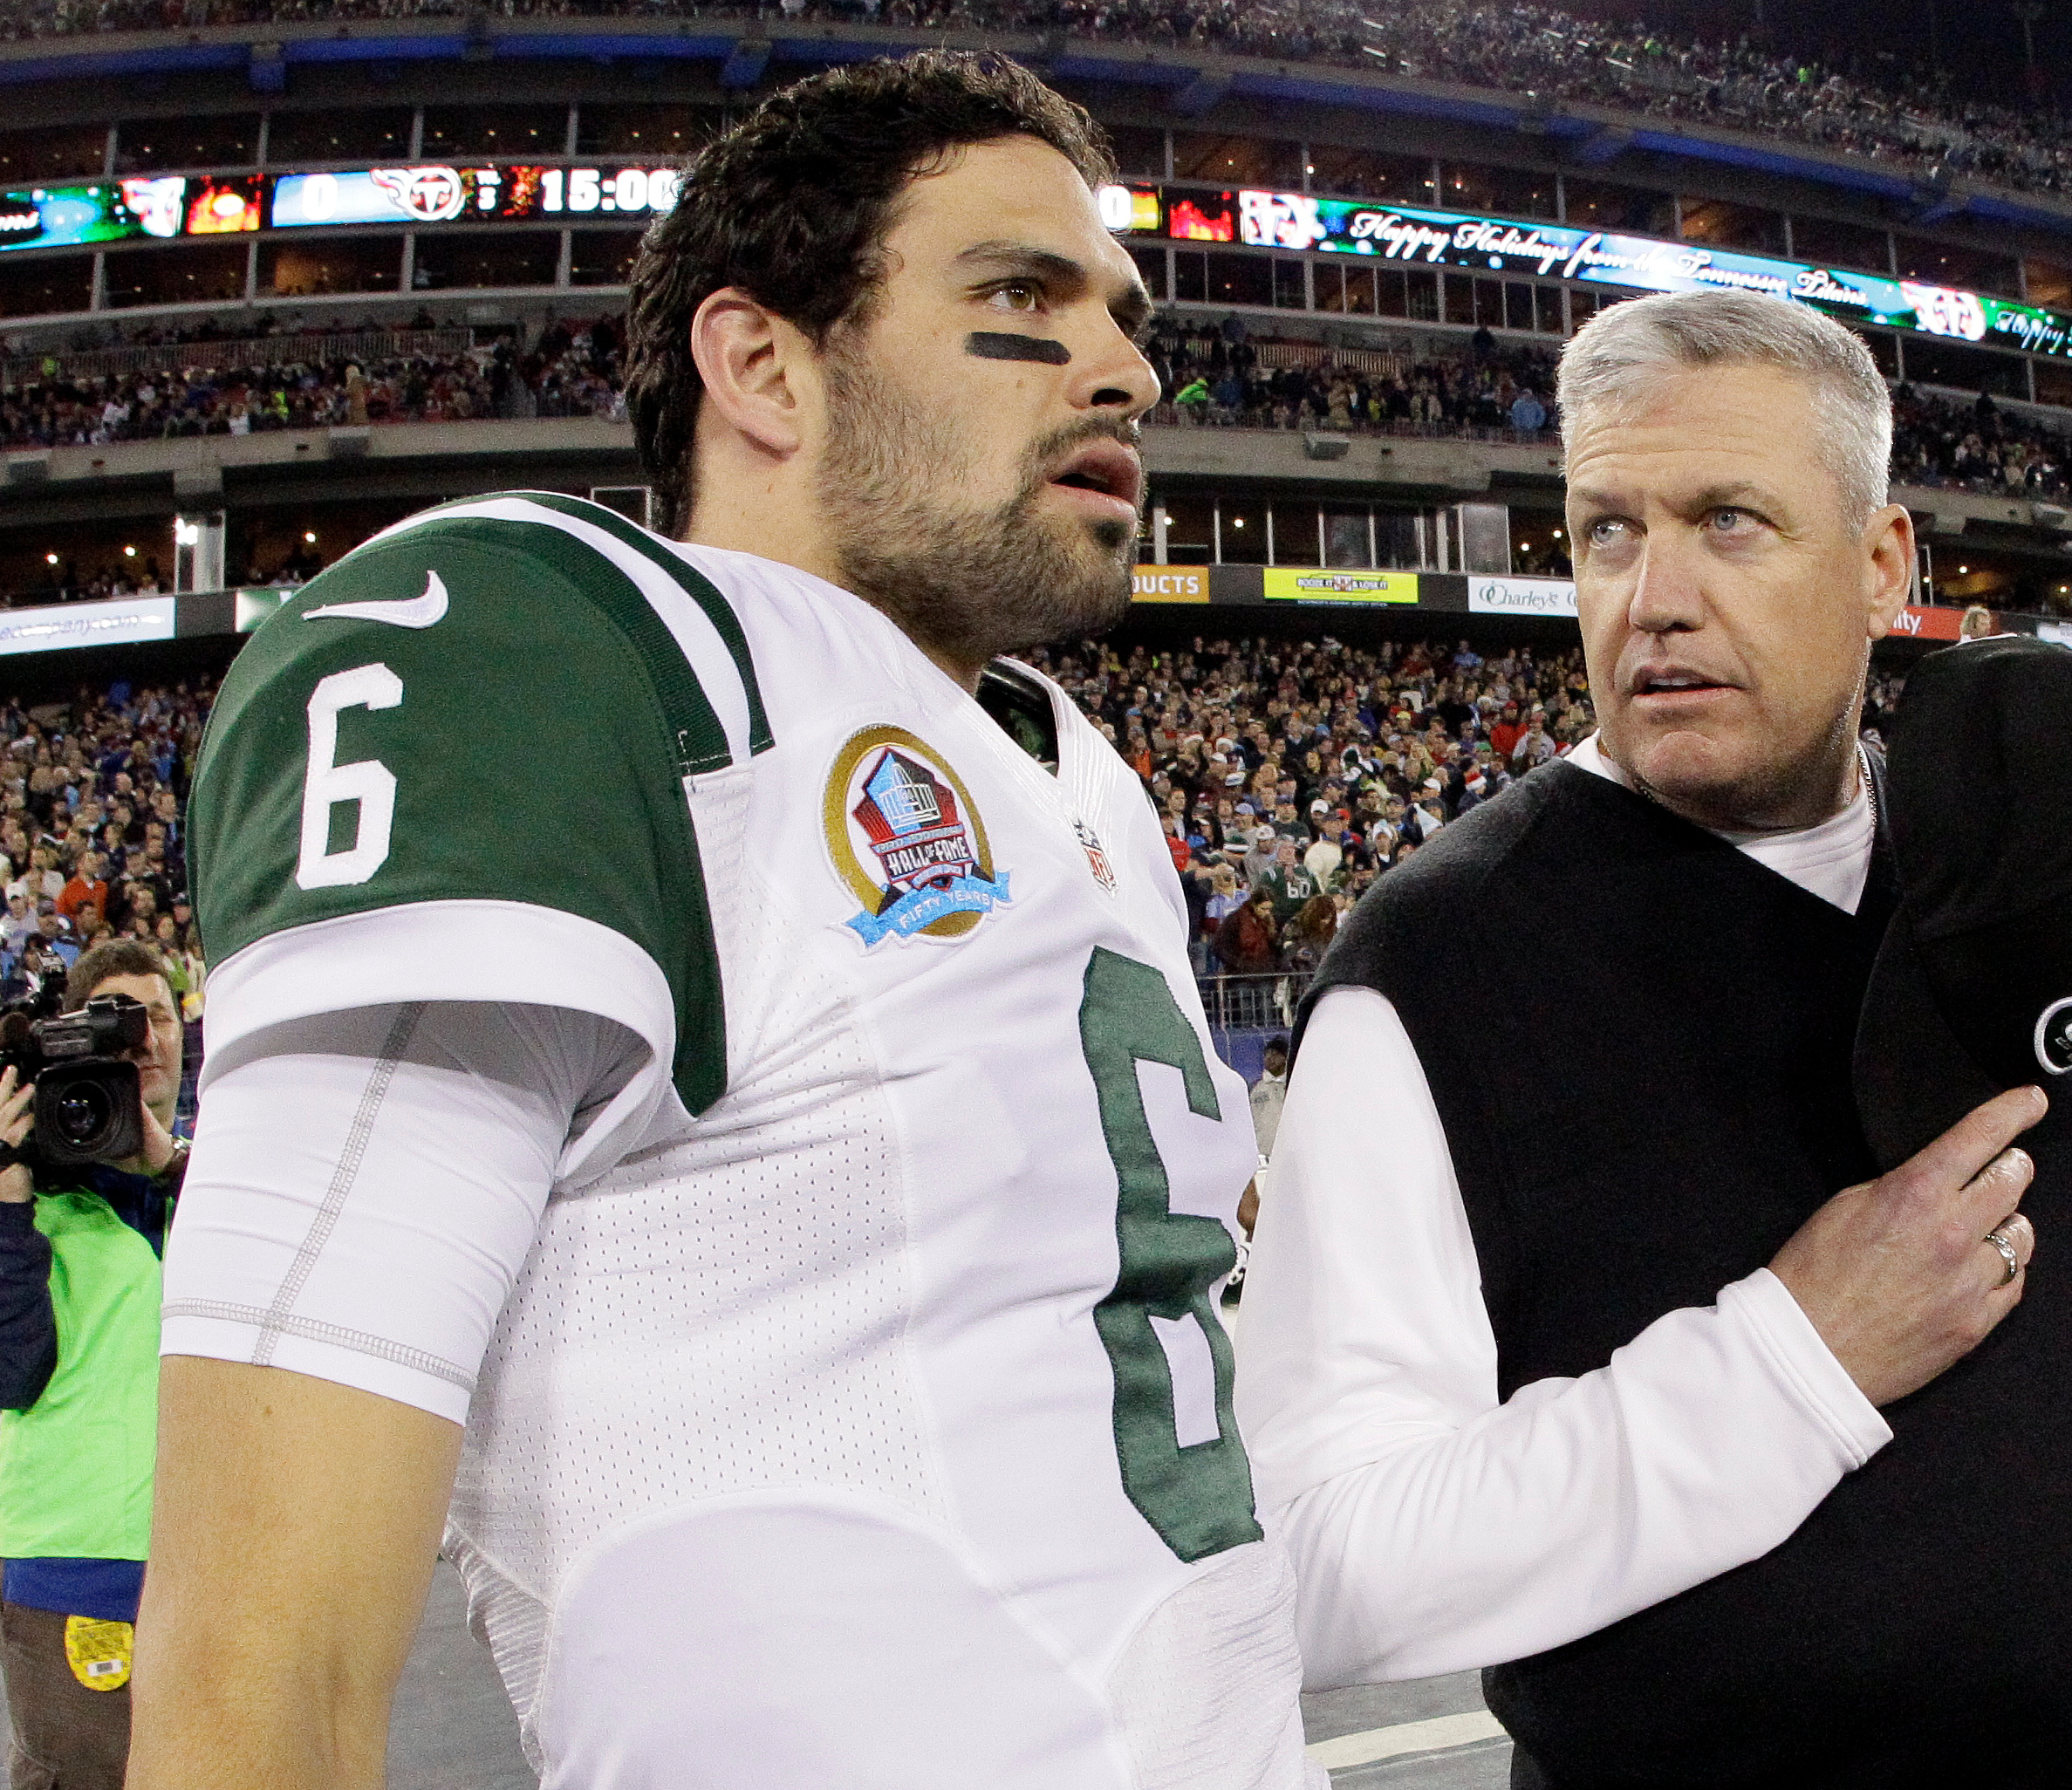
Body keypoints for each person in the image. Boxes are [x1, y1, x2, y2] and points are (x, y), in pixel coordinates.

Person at [132, 53, 1313, 1790]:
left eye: (1123, 315)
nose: (1129, 368)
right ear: (762, 363)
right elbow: (260, 1667)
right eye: (1021, 297)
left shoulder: (1089, 788)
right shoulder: (560, 655)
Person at [1239, 290, 2072, 1789]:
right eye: (1604, 531)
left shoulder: (2015, 869)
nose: (1650, 596)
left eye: (1727, 521)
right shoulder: (1441, 963)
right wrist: (1792, 1360)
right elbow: (1306, 1554)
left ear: (1879, 564)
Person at [0, 939, 188, 1790]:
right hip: (77, 1575)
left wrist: (168, 1165)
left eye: (158, 1017)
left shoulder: (219, 1188)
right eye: (118, 1025)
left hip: (216, 1562)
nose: (146, 1040)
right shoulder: (15, 1204)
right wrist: (14, 1199)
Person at [1250, 1039, 1289, 1162]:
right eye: (1267, 1054)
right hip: (1263, 1153)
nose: (1270, 1058)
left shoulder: (1294, 1086)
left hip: (1287, 1152)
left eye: (1275, 1054)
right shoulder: (1255, 1088)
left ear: (1285, 1058)